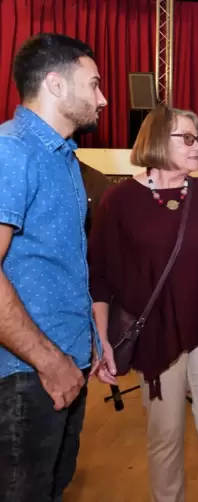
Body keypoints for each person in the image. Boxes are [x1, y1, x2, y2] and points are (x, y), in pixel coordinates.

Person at [88, 105, 198, 501]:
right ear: (155, 141)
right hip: (155, 338)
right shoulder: (119, 201)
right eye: (187, 138)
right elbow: (98, 273)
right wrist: (102, 338)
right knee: (164, 438)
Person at [0, 33, 108, 502]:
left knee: (53, 488)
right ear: (56, 85)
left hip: (65, 363)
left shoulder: (62, 158)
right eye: (95, 84)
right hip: (27, 373)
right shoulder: (12, 150)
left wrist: (90, 340)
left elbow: (60, 263)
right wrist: (49, 361)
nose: (103, 98)